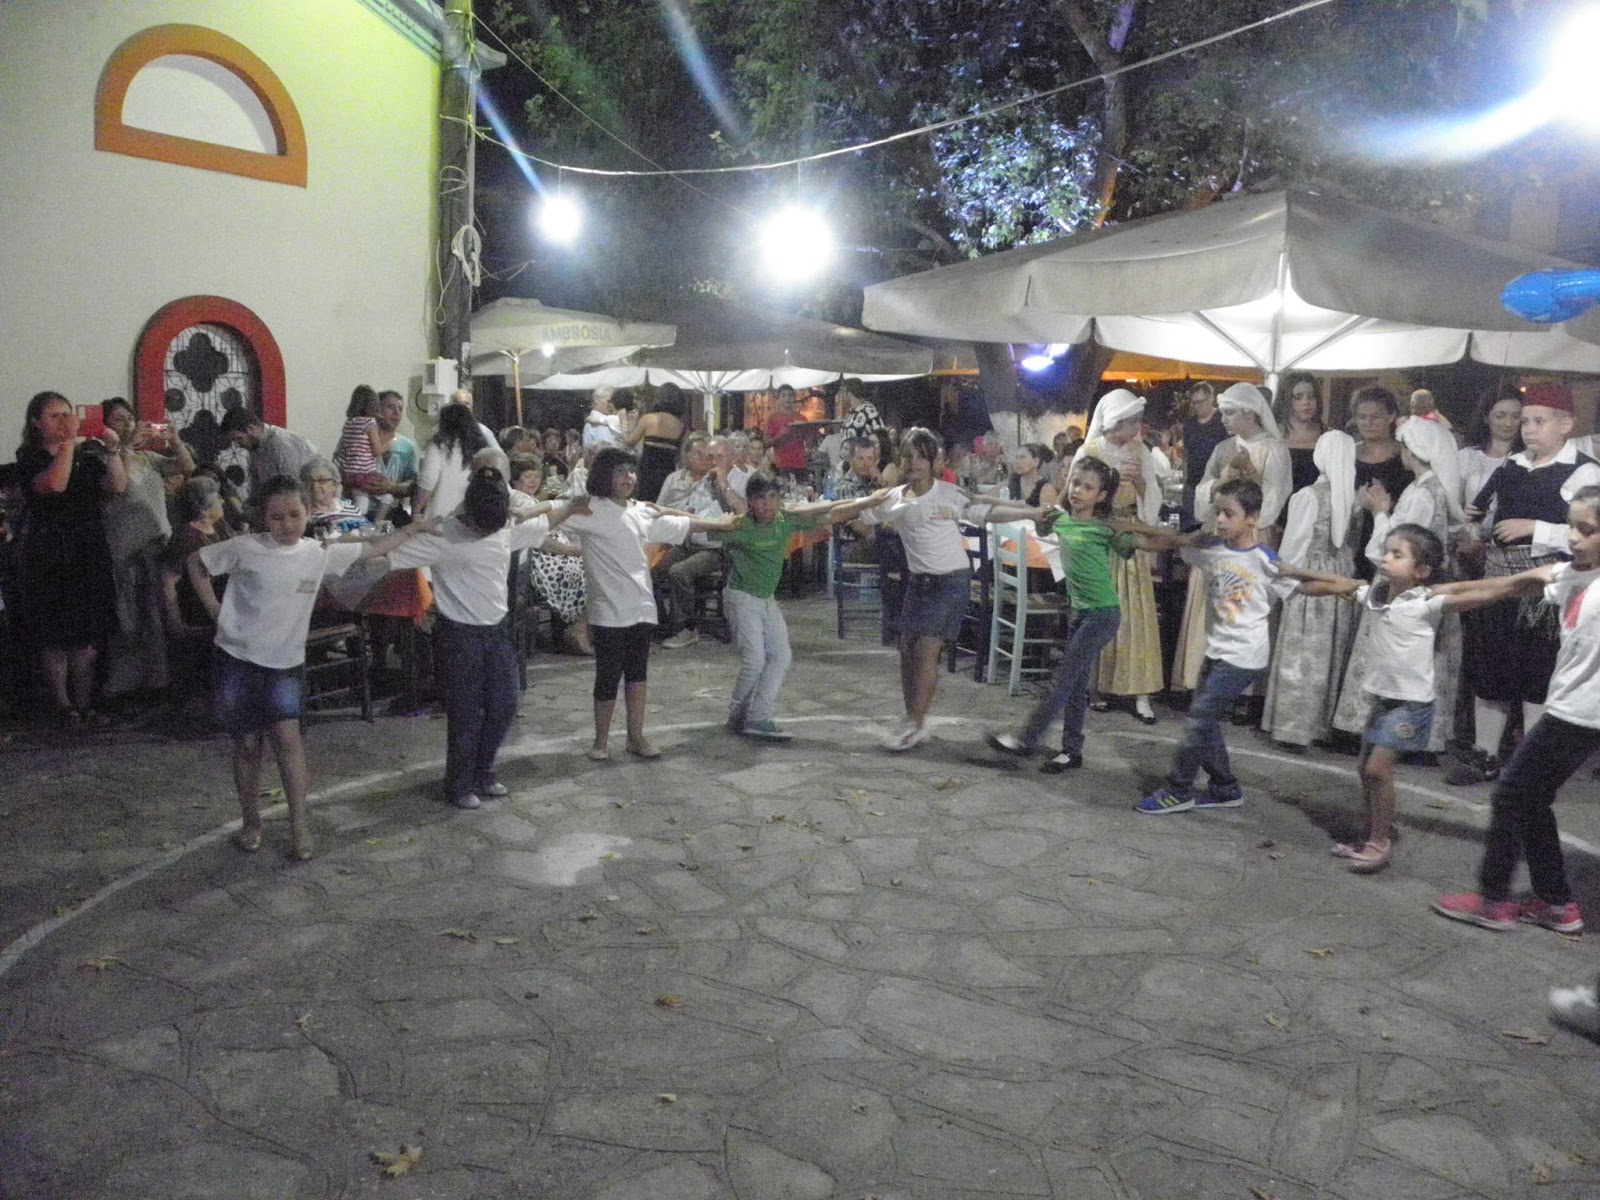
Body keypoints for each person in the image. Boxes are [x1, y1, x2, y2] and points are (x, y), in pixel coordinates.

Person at [1432, 486, 1600, 933]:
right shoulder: (1570, 573)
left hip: (1583, 714)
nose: (1574, 537)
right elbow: (1506, 586)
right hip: (1569, 705)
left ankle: (1493, 899)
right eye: (1572, 526)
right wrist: (1436, 595)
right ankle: (1557, 904)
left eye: (1587, 530)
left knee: (1510, 793)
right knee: (1531, 799)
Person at [1303, 525, 1515, 871]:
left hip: (1410, 704)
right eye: (1387, 552)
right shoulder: (1376, 595)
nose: (1386, 558)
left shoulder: (1426, 603)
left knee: (1377, 769)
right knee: (1365, 770)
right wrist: (1290, 580)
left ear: (1422, 571)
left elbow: (1486, 594)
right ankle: (1373, 832)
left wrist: (1521, 583)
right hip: (1383, 699)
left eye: (1397, 554)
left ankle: (1380, 843)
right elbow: (1330, 586)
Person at [361, 465, 572, 808]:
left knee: (504, 705)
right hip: (458, 636)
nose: (486, 532)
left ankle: (483, 771)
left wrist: (572, 505)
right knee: (465, 714)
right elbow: (381, 557)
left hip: (497, 631)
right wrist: (405, 532)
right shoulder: (442, 535)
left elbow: (547, 522)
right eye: (480, 526)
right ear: (469, 512)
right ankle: (459, 784)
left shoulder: (505, 526)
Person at [186, 475, 366, 860]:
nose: (287, 524)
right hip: (238, 659)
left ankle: (300, 825)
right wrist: (213, 608)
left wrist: (414, 529)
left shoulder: (316, 552)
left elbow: (371, 549)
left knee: (288, 740)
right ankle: (251, 820)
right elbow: (196, 562)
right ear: (263, 517)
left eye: (295, 515)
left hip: (285, 664)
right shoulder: (246, 547)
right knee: (248, 744)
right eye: (277, 517)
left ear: (308, 512)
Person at [1122, 480, 1322, 815]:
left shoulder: (1264, 559)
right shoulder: (1213, 549)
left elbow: (1302, 586)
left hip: (1245, 656)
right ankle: (1225, 787)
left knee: (1199, 719)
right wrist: (1127, 530)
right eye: (1218, 512)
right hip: (1216, 651)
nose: (1220, 520)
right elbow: (1167, 541)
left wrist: (1346, 588)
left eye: (1230, 514)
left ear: (1253, 518)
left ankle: (1178, 789)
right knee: (1206, 720)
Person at [855, 427, 1053, 751]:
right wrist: (822, 515)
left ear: (934, 462)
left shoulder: (949, 494)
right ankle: (912, 717)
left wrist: (1032, 512)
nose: (914, 462)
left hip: (950, 581)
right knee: (907, 646)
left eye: (922, 457)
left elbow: (987, 511)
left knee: (926, 649)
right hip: (918, 581)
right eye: (909, 456)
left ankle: (916, 722)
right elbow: (859, 514)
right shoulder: (894, 498)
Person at [1448, 382, 1600, 785]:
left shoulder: (1583, 471)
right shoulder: (1512, 464)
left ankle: (1530, 764)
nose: (1528, 429)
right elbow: (1487, 514)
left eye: (1539, 421)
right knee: (1491, 667)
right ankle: (1486, 754)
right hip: (1500, 575)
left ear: (1566, 424)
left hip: (1546, 585)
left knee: (1537, 672)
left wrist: (1536, 528)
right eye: (1525, 421)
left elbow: (1591, 530)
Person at [562, 447, 733, 760]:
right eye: (620, 472)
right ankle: (601, 741)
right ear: (604, 476)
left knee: (637, 675)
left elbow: (682, 524)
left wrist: (719, 525)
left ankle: (636, 737)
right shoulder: (590, 509)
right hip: (608, 611)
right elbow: (549, 515)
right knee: (607, 676)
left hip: (641, 606)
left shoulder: (642, 510)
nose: (628, 478)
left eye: (631, 471)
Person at [986, 456, 1133, 771]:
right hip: (1079, 612)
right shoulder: (1061, 519)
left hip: (1103, 614)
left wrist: (1152, 532)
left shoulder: (1104, 527)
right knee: (1075, 684)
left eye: (1087, 487)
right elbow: (1028, 515)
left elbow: (1140, 543)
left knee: (1063, 679)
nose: (1078, 490)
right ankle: (1071, 750)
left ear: (1101, 496)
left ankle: (1027, 739)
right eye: (1075, 483)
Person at [1331, 415, 1465, 755]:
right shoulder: (1423, 489)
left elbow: (1402, 545)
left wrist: (1379, 512)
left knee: (1402, 658)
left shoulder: (1423, 494)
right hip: (1413, 583)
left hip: (1406, 588)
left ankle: (1398, 734)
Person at [715, 476, 887, 738]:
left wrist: (867, 502)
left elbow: (832, 513)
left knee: (781, 656)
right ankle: (737, 713)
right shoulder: (740, 526)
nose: (767, 504)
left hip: (766, 599)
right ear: (749, 502)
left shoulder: (785, 520)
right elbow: (702, 529)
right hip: (741, 597)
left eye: (773, 497)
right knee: (754, 660)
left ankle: (758, 716)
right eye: (760, 498)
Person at [1170, 382, 1291, 695]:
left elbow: (1275, 499)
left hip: (1252, 534)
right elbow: (1203, 489)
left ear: (1250, 413)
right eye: (1223, 413)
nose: (1223, 419)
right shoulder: (1223, 448)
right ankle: (1203, 676)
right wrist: (1220, 482)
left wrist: (1252, 474)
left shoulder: (1274, 449)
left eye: (1230, 413)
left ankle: (1244, 689)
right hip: (1220, 532)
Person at [14, 392, 126, 725]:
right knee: (56, 634)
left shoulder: (86, 455)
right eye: (55, 416)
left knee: (87, 635)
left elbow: (117, 487)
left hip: (87, 548)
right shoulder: (30, 457)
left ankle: (85, 701)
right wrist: (68, 444)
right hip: (50, 552)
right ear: (36, 423)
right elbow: (55, 484)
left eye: (68, 414)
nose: (65, 421)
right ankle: (62, 705)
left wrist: (113, 450)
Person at [1261, 430, 1359, 750]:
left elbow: (1293, 547)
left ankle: (1294, 727)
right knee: (1329, 654)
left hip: (1312, 581)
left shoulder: (1308, 496)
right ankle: (1320, 725)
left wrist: (1282, 586)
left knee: (1303, 655)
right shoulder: (1352, 498)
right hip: (1340, 581)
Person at [1075, 391, 1165, 724]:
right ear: (1117, 422)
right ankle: (1097, 686)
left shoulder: (1141, 452)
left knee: (1136, 615)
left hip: (1129, 536)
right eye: (1132, 422)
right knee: (1101, 612)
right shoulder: (1090, 452)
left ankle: (1139, 691)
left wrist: (1140, 482)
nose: (1137, 428)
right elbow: (1075, 496)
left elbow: (1153, 499)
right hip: (1101, 539)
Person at [100, 397, 185, 705]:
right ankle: (124, 690)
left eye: (130, 418)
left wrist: (176, 441)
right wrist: (125, 447)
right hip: (125, 553)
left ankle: (157, 686)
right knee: (128, 622)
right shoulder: (101, 457)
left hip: (155, 549)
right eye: (119, 419)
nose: (127, 424)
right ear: (105, 425)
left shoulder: (148, 458)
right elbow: (117, 487)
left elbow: (186, 468)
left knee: (155, 620)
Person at [160, 476, 230, 712]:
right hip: (199, 609)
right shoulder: (186, 538)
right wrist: (174, 620)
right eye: (217, 499)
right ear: (203, 508)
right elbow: (168, 581)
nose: (222, 501)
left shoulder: (221, 527)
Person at [509, 458, 591, 655]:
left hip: (552, 552)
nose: (533, 481)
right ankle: (576, 629)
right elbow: (538, 537)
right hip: (540, 559)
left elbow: (552, 496)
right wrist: (571, 550)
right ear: (515, 480)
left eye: (537, 476)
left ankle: (576, 630)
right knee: (588, 572)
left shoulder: (533, 498)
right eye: (528, 476)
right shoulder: (519, 499)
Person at [653, 434, 728, 649]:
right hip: (684, 540)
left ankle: (685, 628)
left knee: (679, 572)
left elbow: (731, 512)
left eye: (711, 456)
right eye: (699, 454)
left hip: (713, 547)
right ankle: (660, 621)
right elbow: (668, 509)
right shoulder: (689, 480)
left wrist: (722, 484)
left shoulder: (724, 480)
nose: (705, 459)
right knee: (652, 568)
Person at [1349, 386, 1412, 581]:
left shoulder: (1406, 456)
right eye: (1362, 417)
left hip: (1395, 538)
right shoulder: (1348, 455)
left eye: (1375, 417)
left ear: (1391, 416)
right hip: (1353, 540)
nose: (1368, 423)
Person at [415, 402, 489, 521]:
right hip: (471, 517)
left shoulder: (438, 446)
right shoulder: (481, 447)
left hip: (440, 516)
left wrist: (416, 511)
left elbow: (428, 480)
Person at [219, 408, 318, 495]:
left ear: (251, 429)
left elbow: (293, 488)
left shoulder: (282, 444)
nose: (237, 445)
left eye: (238, 438)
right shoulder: (256, 447)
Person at [1457, 392, 1522, 518]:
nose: (1508, 423)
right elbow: (1450, 504)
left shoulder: (1529, 459)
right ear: (1486, 417)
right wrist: (1461, 513)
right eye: (1500, 416)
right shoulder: (1466, 457)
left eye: (1516, 416)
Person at [625, 384, 687, 502]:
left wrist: (624, 424)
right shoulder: (681, 425)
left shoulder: (648, 418)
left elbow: (630, 441)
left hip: (647, 469)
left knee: (644, 502)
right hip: (668, 470)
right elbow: (681, 456)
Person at [1180, 382, 1228, 528]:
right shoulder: (1189, 424)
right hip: (1192, 485)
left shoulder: (1222, 421)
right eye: (1193, 402)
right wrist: (1185, 479)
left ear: (1211, 399)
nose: (1196, 406)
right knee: (1189, 525)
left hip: (1214, 484)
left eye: (1200, 402)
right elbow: (1186, 453)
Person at [332, 384, 385, 511]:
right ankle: (373, 519)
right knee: (384, 498)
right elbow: (376, 450)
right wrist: (388, 445)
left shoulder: (349, 423)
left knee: (353, 498)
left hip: (348, 470)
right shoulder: (369, 423)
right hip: (365, 472)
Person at [371, 389, 419, 521]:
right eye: (390, 407)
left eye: (400, 409)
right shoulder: (360, 440)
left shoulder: (407, 446)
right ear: (378, 410)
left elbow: (413, 484)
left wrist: (391, 487)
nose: (396, 413)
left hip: (392, 513)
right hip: (360, 509)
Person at [1278, 375, 1326, 495]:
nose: (1306, 402)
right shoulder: (1272, 434)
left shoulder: (1329, 436)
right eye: (1298, 397)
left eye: (1311, 396)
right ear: (1285, 400)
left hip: (1317, 504)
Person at [764, 384, 811, 481]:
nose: (787, 399)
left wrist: (811, 433)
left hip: (801, 464)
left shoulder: (802, 419)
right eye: (784, 395)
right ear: (778, 399)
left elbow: (809, 442)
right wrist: (781, 435)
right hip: (782, 465)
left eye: (790, 395)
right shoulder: (772, 418)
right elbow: (766, 443)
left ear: (794, 398)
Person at [1006, 443, 1055, 508]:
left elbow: (1045, 512)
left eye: (1022, 457)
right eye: (1016, 458)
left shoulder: (1046, 488)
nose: (1017, 462)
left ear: (1036, 461)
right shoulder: (1014, 480)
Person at [583, 386, 625, 450]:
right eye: (609, 401)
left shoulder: (612, 418)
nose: (612, 405)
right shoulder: (597, 424)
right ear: (597, 401)